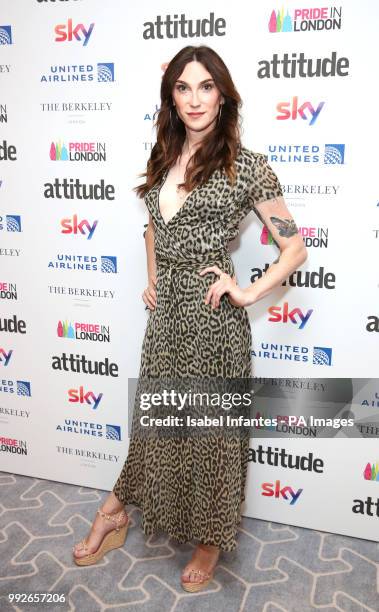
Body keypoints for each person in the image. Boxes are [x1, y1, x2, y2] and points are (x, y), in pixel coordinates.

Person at [72, 45, 308, 591]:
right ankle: (117, 511)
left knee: (212, 436)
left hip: (212, 322)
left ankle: (208, 540)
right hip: (167, 320)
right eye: (183, 87)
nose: (195, 98)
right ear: (171, 98)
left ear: (222, 95)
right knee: (156, 423)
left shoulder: (245, 166)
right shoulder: (164, 155)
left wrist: (247, 291)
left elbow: (295, 250)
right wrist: (154, 276)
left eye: (206, 86)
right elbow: (155, 223)